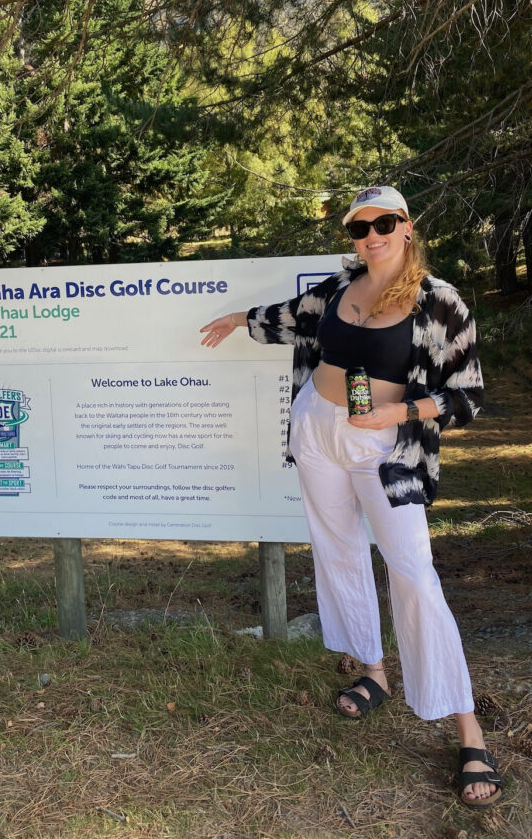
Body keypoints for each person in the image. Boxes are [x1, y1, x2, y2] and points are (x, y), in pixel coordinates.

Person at [199, 185, 503, 808]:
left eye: (384, 223)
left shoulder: (438, 301)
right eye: (360, 228)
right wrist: (237, 320)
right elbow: (289, 315)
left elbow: (468, 395)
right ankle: (373, 669)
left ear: (407, 226)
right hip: (316, 429)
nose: (372, 236)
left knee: (414, 572)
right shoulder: (339, 288)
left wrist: (403, 408)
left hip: (386, 447)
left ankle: (467, 728)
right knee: (338, 551)